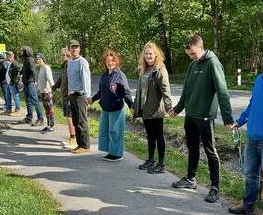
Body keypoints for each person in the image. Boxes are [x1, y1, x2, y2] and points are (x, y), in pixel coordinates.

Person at [168, 34, 234, 203]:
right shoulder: (192, 65)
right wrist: (177, 109)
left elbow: (222, 91)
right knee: (192, 148)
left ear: (200, 47)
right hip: (190, 115)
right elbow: (186, 91)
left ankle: (215, 187)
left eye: (193, 54)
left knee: (211, 151)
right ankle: (190, 179)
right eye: (189, 55)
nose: (192, 58)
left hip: (205, 117)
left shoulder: (213, 63)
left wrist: (227, 118)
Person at [228, 72, 263, 215]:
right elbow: (252, 104)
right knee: (250, 173)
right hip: (252, 135)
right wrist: (240, 121)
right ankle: (248, 205)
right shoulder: (259, 78)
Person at [133, 42, 172, 173]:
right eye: (146, 54)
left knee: (158, 135)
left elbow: (165, 89)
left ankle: (161, 164)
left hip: (156, 109)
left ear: (156, 54)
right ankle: (151, 160)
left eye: (151, 53)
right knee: (149, 135)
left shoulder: (160, 69)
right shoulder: (143, 69)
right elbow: (139, 90)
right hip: (145, 108)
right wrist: (134, 105)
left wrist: (169, 107)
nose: (148, 56)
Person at [89, 49, 132, 161]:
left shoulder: (120, 75)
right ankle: (110, 151)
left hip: (116, 108)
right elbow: (100, 92)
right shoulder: (104, 76)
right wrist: (92, 99)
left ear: (116, 61)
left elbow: (126, 92)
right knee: (104, 130)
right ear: (105, 62)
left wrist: (131, 106)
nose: (110, 63)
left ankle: (117, 154)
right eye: (108, 61)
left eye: (112, 61)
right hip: (105, 107)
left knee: (115, 131)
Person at [67, 40, 91, 154]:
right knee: (75, 121)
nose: (74, 49)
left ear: (79, 49)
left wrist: (87, 95)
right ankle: (79, 144)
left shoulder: (82, 62)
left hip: (81, 96)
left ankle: (85, 145)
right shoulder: (70, 62)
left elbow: (86, 79)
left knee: (82, 121)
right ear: (69, 49)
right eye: (72, 47)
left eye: (76, 47)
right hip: (72, 95)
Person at [52, 48, 76, 147]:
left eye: (62, 55)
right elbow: (61, 79)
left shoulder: (71, 66)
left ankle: (74, 138)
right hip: (65, 96)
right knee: (69, 117)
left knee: (70, 118)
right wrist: (53, 87)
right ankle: (72, 137)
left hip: (70, 96)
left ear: (68, 56)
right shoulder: (65, 66)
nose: (61, 57)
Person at [20, 46, 44, 125]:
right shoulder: (25, 60)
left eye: (22, 50)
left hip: (31, 83)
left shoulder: (30, 60)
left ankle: (40, 119)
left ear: (26, 51)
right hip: (26, 83)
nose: (21, 52)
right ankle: (29, 118)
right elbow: (24, 70)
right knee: (28, 101)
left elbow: (34, 71)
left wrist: (36, 81)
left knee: (34, 101)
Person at [36, 52, 55, 134]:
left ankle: (51, 127)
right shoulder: (41, 68)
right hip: (43, 92)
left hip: (47, 92)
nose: (38, 60)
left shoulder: (46, 68)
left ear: (43, 59)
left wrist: (52, 91)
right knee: (46, 110)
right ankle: (48, 125)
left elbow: (50, 80)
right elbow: (40, 80)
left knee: (50, 110)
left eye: (40, 59)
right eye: (37, 59)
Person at [5, 51, 22, 116]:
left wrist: (14, 81)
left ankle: (17, 110)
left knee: (15, 96)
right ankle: (8, 110)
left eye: (7, 55)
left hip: (13, 83)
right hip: (8, 83)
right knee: (8, 96)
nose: (6, 57)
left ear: (10, 56)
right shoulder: (9, 63)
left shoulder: (15, 63)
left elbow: (18, 71)